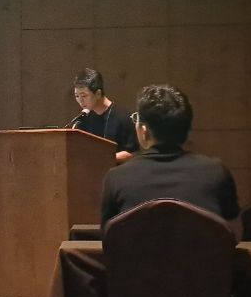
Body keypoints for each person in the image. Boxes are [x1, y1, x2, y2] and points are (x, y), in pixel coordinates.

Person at [100, 84, 241, 237]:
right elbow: (235, 233)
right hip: (202, 254)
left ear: (144, 131)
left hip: (139, 254)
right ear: (187, 130)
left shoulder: (116, 177)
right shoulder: (216, 172)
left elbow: (108, 237)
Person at [72, 68, 138, 163]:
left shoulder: (123, 117)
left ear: (98, 93)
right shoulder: (83, 119)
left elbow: (132, 153)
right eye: (77, 96)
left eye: (84, 96)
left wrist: (103, 158)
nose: (80, 101)